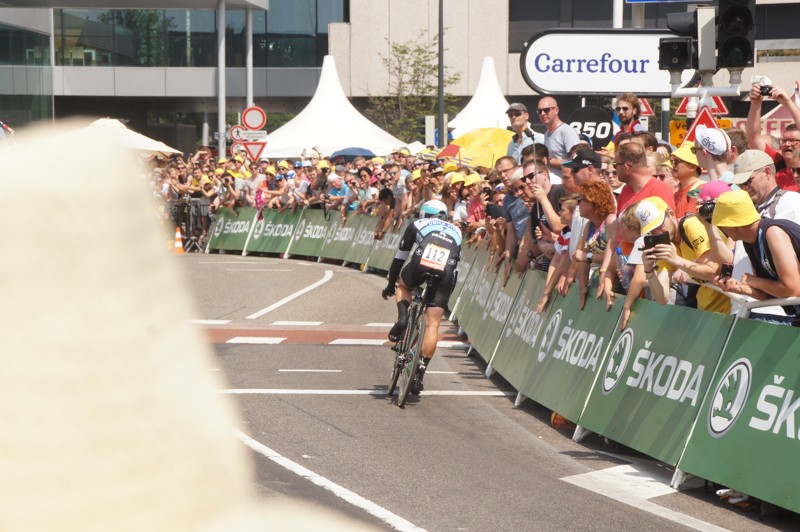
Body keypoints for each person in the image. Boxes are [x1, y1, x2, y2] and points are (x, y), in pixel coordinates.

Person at [381, 199, 463, 395]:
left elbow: (400, 257)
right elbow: (456, 266)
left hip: (419, 265)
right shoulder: (457, 231)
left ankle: (403, 319)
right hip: (447, 273)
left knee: (403, 285)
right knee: (433, 324)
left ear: (424, 214)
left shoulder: (417, 224)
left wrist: (391, 285)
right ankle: (420, 372)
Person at [712, 189, 800, 325]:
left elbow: (793, 289)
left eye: (721, 226)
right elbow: (766, 295)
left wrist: (755, 281)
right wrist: (739, 288)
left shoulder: (773, 233)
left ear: (732, 227)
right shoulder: (749, 240)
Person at [638, 196, 731, 314]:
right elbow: (662, 298)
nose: (658, 233)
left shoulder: (691, 225)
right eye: (652, 230)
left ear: (671, 214)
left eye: (660, 225)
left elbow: (714, 271)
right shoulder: (667, 243)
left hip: (732, 307)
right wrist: (649, 270)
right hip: (708, 309)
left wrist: (677, 260)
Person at [745, 81, 800, 191]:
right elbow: (753, 139)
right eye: (784, 140)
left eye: (793, 140)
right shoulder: (777, 162)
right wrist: (755, 104)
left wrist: (787, 102)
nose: (787, 144)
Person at [539, 96, 581, 184]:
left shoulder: (567, 131)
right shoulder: (546, 134)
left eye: (546, 110)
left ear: (556, 110)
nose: (542, 113)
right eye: (539, 111)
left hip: (566, 184)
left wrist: (550, 161)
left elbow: (577, 162)